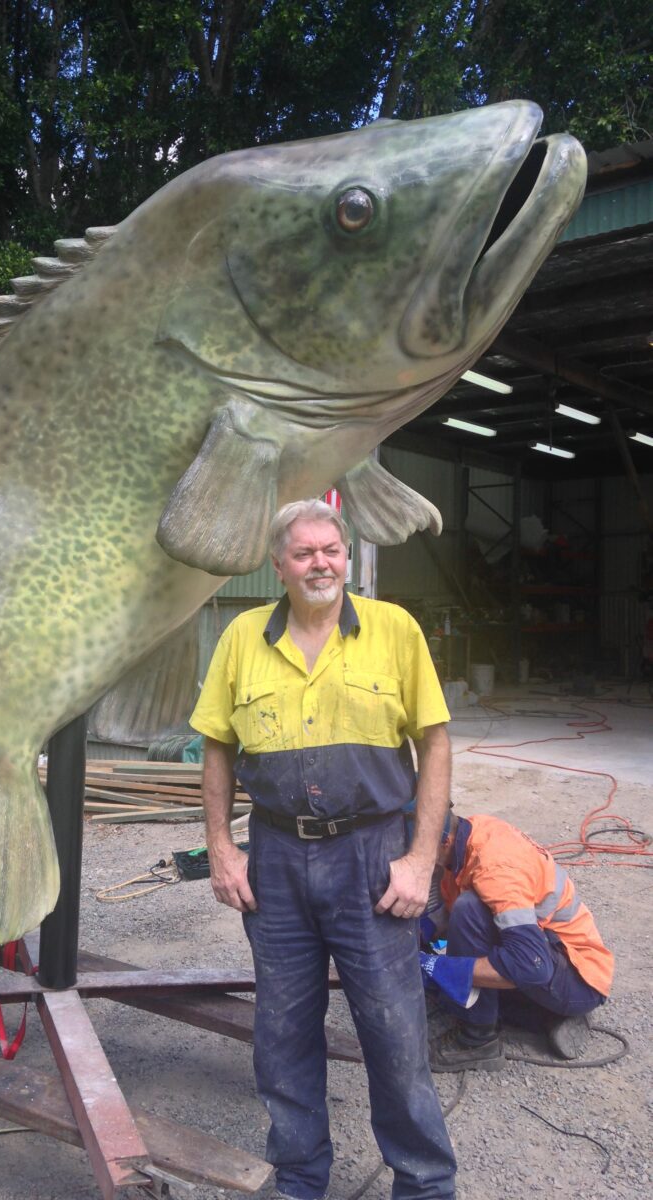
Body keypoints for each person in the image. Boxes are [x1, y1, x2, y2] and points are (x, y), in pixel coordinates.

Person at [190, 498, 457, 1200]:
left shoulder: (393, 630)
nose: (319, 563)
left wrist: (421, 859)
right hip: (276, 858)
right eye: (304, 552)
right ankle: (302, 1178)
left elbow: (434, 742)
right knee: (282, 1034)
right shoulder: (243, 637)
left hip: (371, 856)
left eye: (330, 550)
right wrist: (220, 848)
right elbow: (216, 745)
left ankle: (426, 1184)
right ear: (278, 564)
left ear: (347, 556)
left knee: (394, 1034)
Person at [420, 810, 614, 1071]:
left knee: (469, 912)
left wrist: (434, 968)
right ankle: (545, 1017)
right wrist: (413, 940)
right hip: (547, 957)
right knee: (448, 985)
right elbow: (446, 914)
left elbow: (531, 965)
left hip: (578, 977)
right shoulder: (466, 837)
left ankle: (478, 1042)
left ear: (443, 841)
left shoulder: (495, 867)